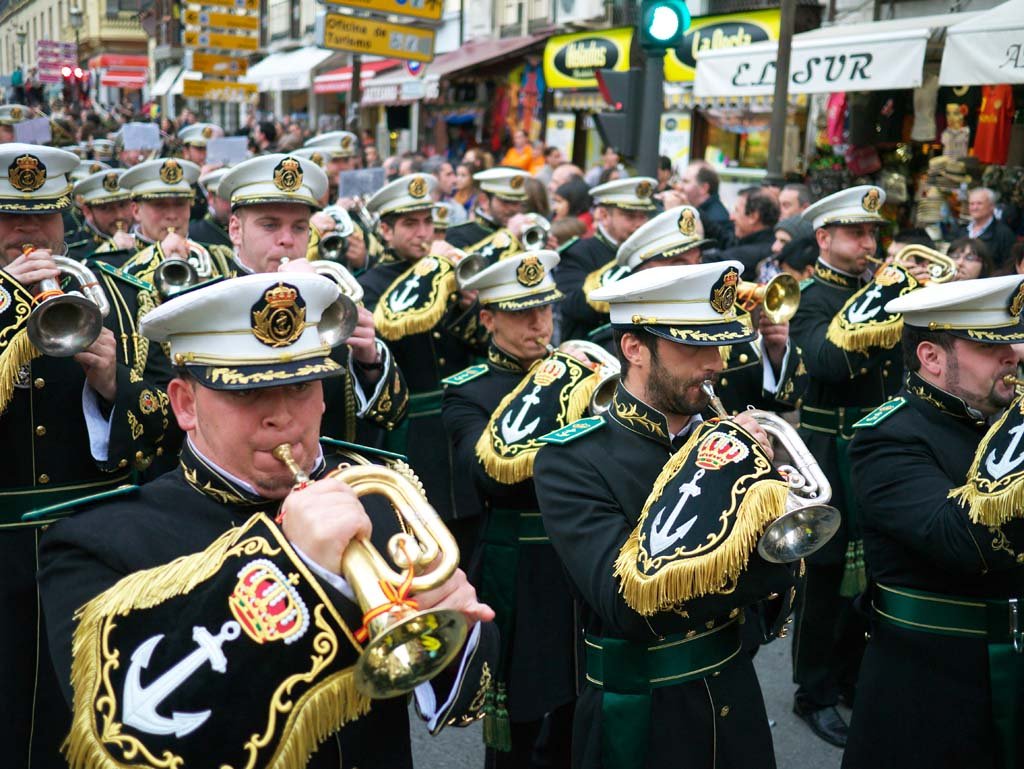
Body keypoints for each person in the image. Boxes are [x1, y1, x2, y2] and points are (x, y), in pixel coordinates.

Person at [37, 272, 497, 769]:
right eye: (247, 394)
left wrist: (455, 627)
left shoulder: (378, 491)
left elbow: (466, 700)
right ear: (186, 404)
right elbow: (126, 740)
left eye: (301, 386)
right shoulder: (96, 541)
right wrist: (293, 566)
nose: (283, 417)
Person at [534, 262, 798, 769]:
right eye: (694, 346)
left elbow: (776, 575)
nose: (715, 363)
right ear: (634, 348)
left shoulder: (717, 433)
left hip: (735, 688)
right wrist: (719, 475)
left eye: (718, 345)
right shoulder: (570, 458)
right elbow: (625, 604)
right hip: (643, 711)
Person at [0, 143, 169, 768]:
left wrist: (114, 387)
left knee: (105, 714)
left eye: (43, 215)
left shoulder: (126, 301)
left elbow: (173, 427)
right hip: (3, 553)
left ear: (66, 215)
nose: (27, 231)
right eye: (9, 215)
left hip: (102, 540)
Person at [844, 275, 1024, 769]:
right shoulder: (888, 436)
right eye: (992, 347)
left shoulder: (998, 417)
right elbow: (961, 539)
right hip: (932, 683)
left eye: (1012, 340)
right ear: (932, 357)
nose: (1014, 355)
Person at [442, 250, 577, 767]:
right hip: (514, 555)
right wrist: (548, 387)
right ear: (488, 319)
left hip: (579, 549)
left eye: (544, 309)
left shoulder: (577, 371)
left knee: (579, 700)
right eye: (522, 313)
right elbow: (484, 469)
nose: (538, 323)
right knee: (519, 710)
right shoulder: (468, 390)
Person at [788, 185, 902, 748]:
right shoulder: (814, 298)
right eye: (857, 233)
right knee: (826, 576)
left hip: (874, 448)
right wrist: (879, 296)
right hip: (827, 453)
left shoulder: (876, 292)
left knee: (873, 573)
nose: (869, 243)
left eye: (872, 233)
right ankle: (813, 690)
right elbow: (830, 362)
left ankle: (852, 676)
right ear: (825, 237)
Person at [219, 152, 407, 447]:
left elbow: (393, 415)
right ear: (235, 230)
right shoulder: (210, 301)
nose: (287, 240)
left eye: (299, 227)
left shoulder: (336, 292)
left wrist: (369, 361)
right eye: (269, 225)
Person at [358, 174, 488, 552]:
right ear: (385, 230)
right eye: (410, 224)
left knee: (471, 519)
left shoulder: (447, 273)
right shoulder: (370, 283)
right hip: (409, 423)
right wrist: (430, 273)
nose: (423, 232)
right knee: (417, 524)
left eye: (428, 222)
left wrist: (469, 302)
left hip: (458, 416)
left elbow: (481, 343)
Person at [554, 177, 657, 341]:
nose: (639, 224)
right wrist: (631, 262)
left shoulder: (652, 253)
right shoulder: (577, 252)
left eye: (643, 216)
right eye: (630, 216)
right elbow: (574, 306)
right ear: (603, 215)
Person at [106, 157, 234, 283]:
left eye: (180, 204)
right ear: (136, 211)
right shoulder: (112, 263)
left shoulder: (217, 258)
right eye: (159, 205)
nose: (172, 215)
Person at [445, 167, 531, 252]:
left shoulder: (525, 230)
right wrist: (508, 237)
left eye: (519, 202)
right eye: (506, 202)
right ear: (484, 201)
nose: (514, 208)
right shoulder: (458, 234)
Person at [67, 167, 137, 262]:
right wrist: (109, 249)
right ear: (87, 211)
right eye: (106, 208)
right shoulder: (72, 251)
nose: (119, 215)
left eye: (123, 205)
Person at [720, 186, 780, 280]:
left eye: (736, 211)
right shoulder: (772, 242)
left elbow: (716, 261)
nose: (731, 217)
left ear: (753, 217)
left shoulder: (746, 256)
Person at [178, 122, 226, 222]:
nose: (206, 154)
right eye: (200, 149)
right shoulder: (178, 177)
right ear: (186, 151)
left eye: (209, 149)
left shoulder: (217, 172)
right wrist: (199, 183)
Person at [679, 160, 733, 248]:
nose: (679, 186)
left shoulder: (717, 218)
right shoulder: (704, 210)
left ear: (704, 188)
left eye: (686, 182)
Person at [960, 187, 1017, 269]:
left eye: (979, 203)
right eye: (971, 204)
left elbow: (1010, 267)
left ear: (991, 206)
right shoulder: (962, 230)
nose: (974, 208)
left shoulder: (1004, 234)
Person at [187, 166, 233, 248]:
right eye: (227, 198)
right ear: (211, 198)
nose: (233, 204)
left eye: (236, 198)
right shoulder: (194, 234)